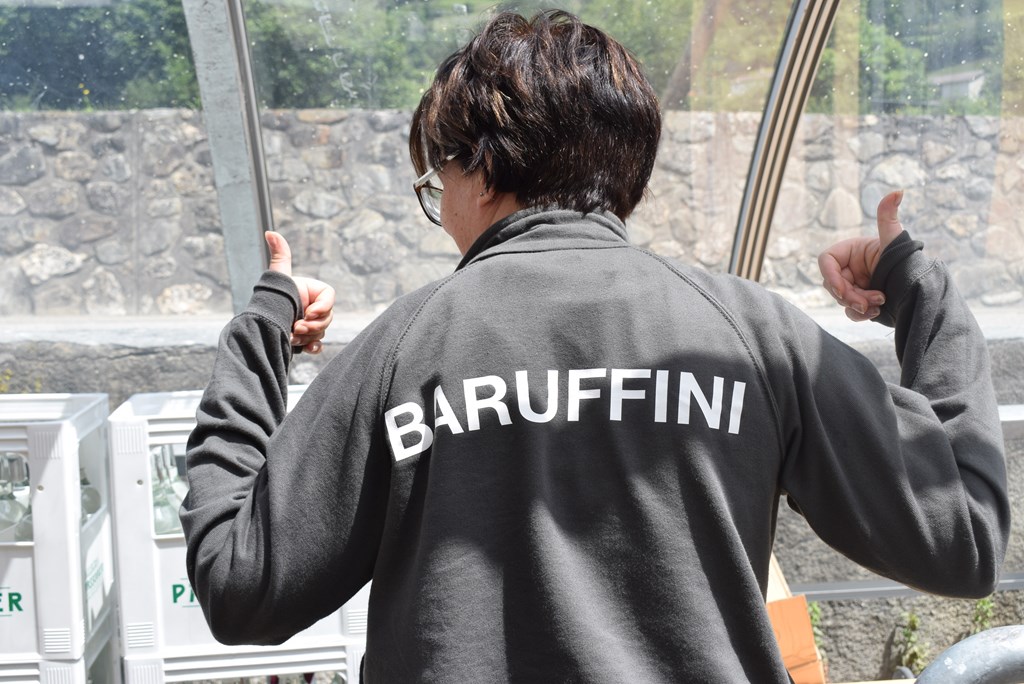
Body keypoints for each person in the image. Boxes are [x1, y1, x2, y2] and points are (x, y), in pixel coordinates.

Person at [181, 9, 1009, 682]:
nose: (443, 212)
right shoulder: (751, 336)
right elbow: (963, 537)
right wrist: (915, 291)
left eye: (437, 184)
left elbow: (239, 582)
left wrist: (262, 334)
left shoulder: (405, 346)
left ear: (482, 169)